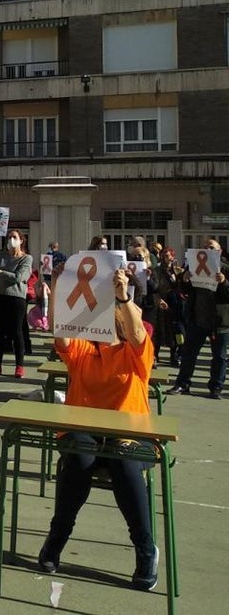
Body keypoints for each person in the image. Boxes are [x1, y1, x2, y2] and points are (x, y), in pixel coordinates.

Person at [37, 266, 158, 592]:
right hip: (86, 435)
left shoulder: (136, 353)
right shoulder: (83, 348)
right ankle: (56, 538)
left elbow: (136, 334)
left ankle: (145, 549)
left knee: (123, 458)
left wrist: (123, 297)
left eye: (117, 311)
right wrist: (58, 290)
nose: (111, 317)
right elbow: (60, 334)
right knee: (77, 456)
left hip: (131, 436)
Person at [166, 239, 229, 399]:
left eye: (212, 247)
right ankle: (182, 384)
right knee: (189, 354)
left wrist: (224, 282)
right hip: (197, 319)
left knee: (219, 357)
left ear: (219, 251)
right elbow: (183, 290)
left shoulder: (226, 269)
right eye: (205, 247)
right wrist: (184, 279)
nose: (208, 249)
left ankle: (215, 388)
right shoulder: (193, 266)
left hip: (219, 321)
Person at [0, 230, 33, 378]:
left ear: (21, 240)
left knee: (16, 332)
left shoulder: (26, 259)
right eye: (9, 237)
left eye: (14, 237)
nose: (11, 240)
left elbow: (18, 277)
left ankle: (19, 365)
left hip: (16, 298)